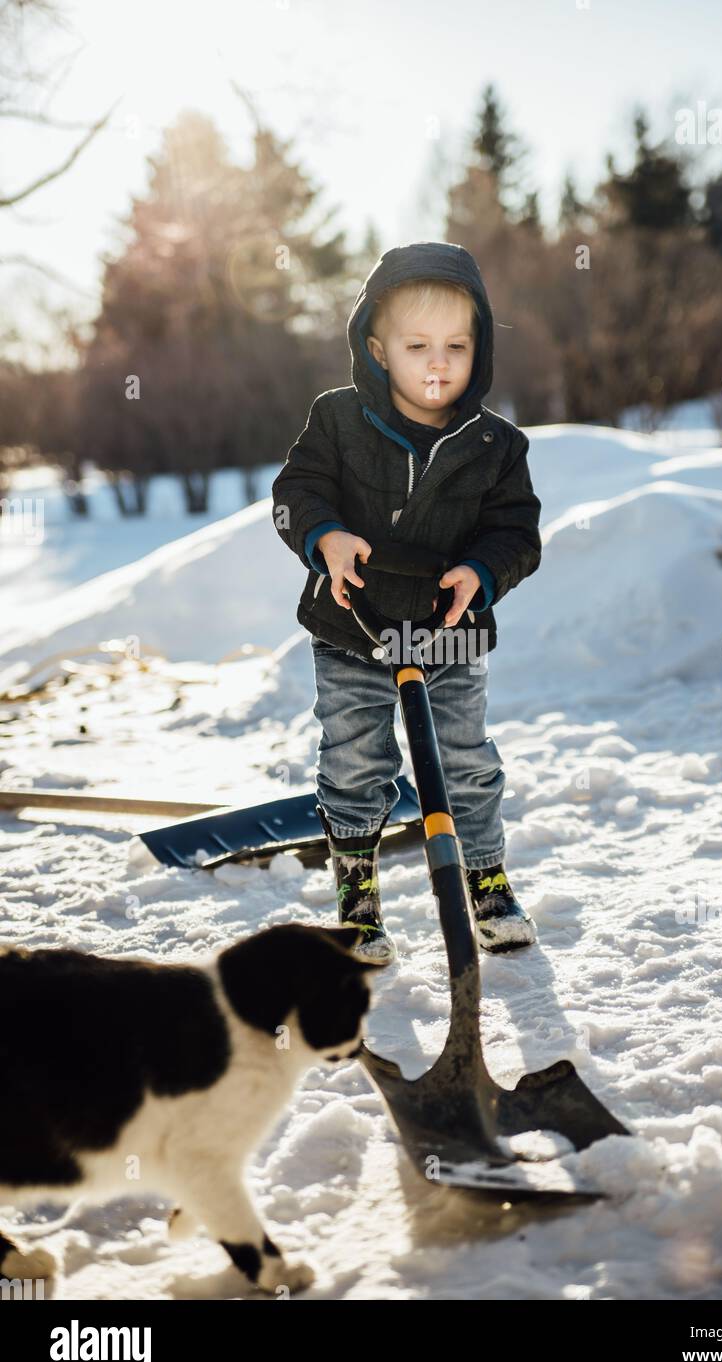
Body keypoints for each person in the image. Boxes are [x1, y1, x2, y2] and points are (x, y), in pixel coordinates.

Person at [271, 241, 542, 965]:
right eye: (417, 344)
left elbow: (517, 532)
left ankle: (485, 880)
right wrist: (324, 537)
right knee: (355, 761)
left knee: (463, 760)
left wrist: (479, 573)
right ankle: (357, 900)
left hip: (447, 631)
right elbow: (295, 494)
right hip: (350, 625)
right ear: (377, 347)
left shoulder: (496, 445)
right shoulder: (335, 421)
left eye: (456, 345)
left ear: (478, 348)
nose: (437, 361)